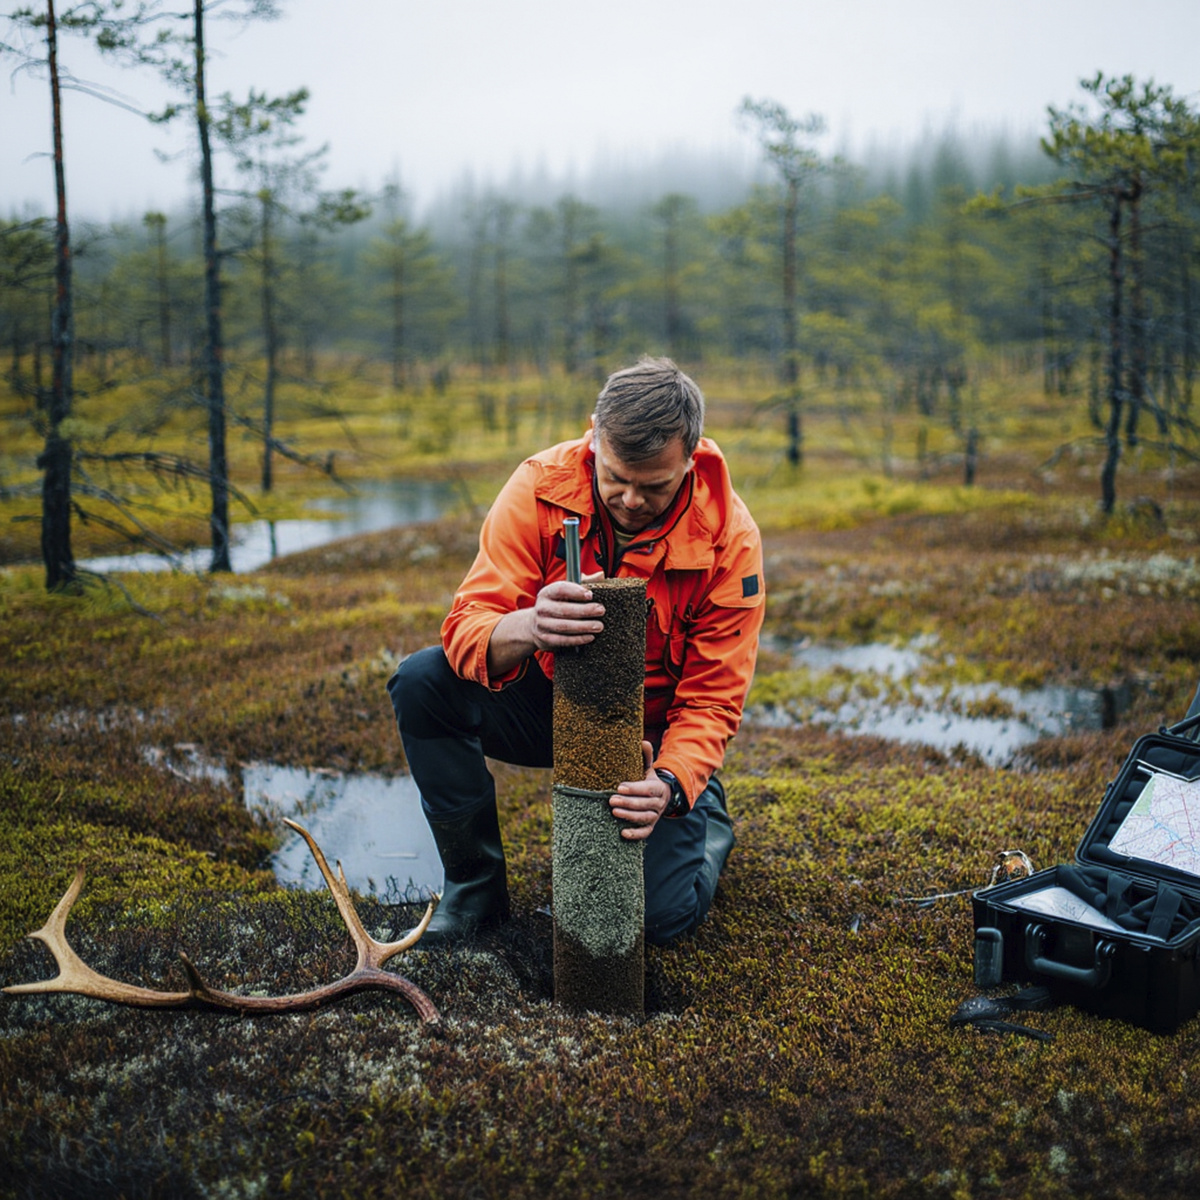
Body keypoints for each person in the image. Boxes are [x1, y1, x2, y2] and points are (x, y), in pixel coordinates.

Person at [387, 357, 764, 946]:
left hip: (648, 740)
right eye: (616, 477)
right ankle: (474, 888)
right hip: (550, 705)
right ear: (594, 435)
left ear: (690, 457)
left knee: (655, 922)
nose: (632, 500)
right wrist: (528, 626)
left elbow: (713, 701)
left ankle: (704, 812)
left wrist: (670, 780)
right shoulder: (538, 486)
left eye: (655, 486)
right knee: (422, 682)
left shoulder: (730, 540)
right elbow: (466, 627)